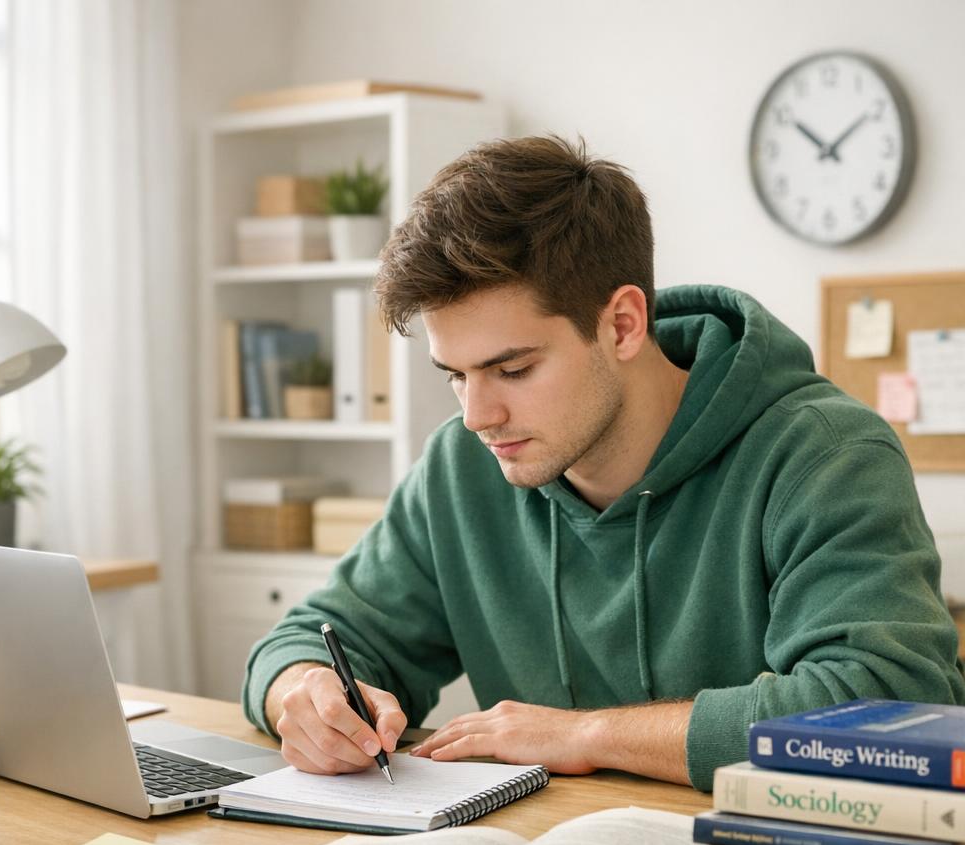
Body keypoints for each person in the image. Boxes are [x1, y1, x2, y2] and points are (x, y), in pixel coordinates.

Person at [241, 135, 963, 791]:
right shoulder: (463, 467)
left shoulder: (824, 455)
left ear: (622, 324)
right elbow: (319, 636)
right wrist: (302, 691)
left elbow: (889, 707)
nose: (476, 415)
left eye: (513, 369)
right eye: (454, 375)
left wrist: (585, 733)